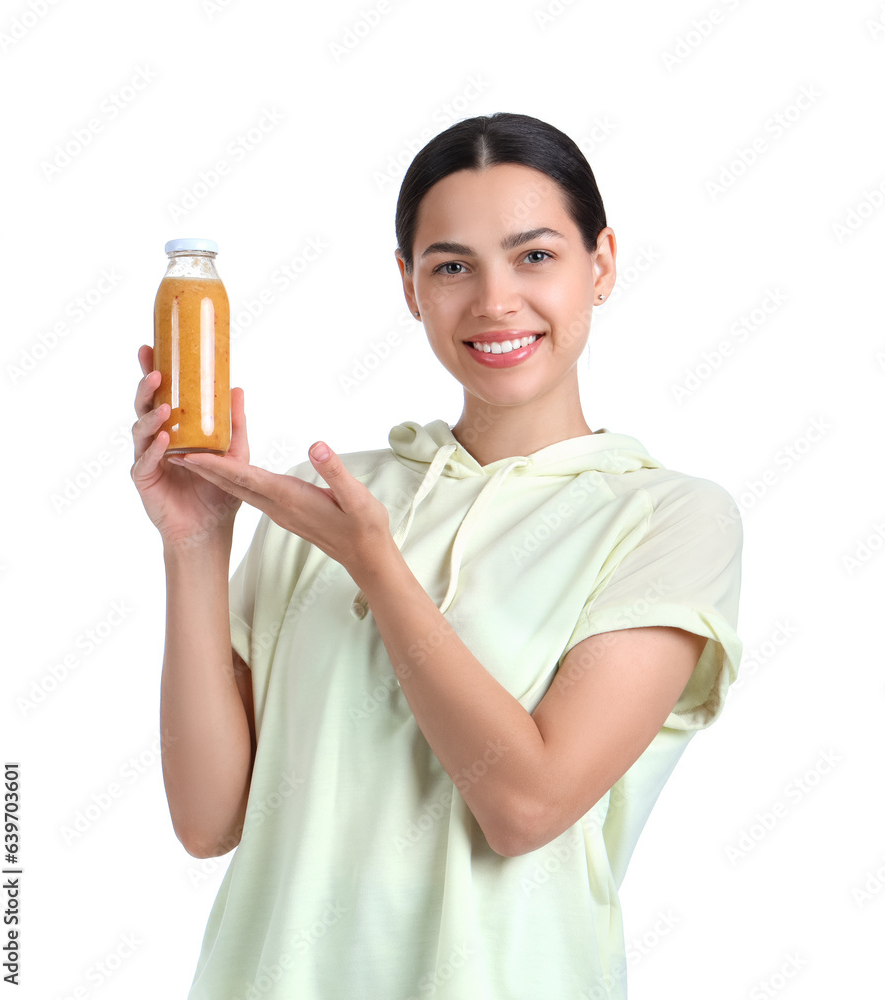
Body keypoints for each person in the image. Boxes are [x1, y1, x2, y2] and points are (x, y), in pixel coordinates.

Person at [131, 112, 743, 999]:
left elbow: (525, 806)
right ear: (410, 286)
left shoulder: (669, 519)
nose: (494, 300)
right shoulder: (327, 497)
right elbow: (207, 817)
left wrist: (378, 567)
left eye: (535, 256)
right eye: (451, 265)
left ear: (600, 264)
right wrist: (195, 543)